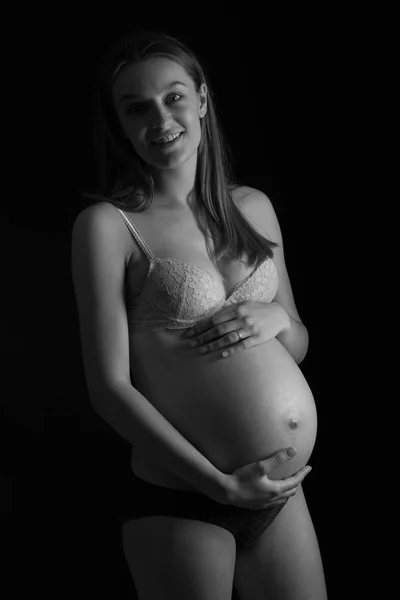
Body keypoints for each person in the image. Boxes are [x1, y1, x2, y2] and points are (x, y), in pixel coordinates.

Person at [71, 28, 328, 600]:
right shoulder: (109, 226)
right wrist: (217, 485)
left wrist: (279, 322)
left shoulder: (253, 207)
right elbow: (108, 387)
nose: (159, 119)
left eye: (174, 96)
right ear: (118, 123)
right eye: (136, 108)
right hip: (184, 493)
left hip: (279, 490)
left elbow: (299, 339)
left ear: (204, 99)